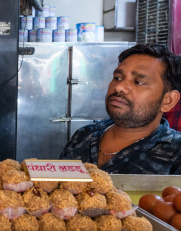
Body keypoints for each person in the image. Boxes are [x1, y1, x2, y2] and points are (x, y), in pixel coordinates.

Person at [60, 44, 181, 174]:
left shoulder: (176, 152)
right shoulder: (84, 135)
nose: (119, 87)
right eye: (118, 78)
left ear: (168, 100)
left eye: (138, 82)